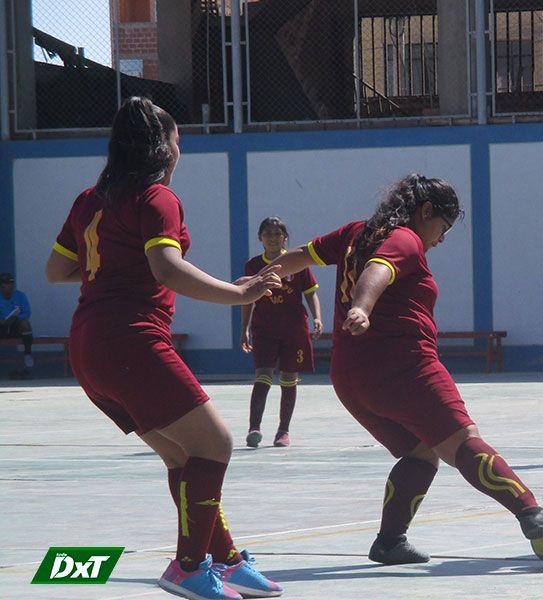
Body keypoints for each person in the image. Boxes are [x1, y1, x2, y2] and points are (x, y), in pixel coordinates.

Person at [268, 173, 543, 565]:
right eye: (443, 227)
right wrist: (362, 307)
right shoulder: (405, 238)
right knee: (462, 441)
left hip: (351, 378)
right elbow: (378, 271)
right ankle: (531, 512)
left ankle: (390, 542)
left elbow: (302, 255)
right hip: (405, 369)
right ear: (426, 211)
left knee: (421, 454)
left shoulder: (357, 232)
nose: (441, 238)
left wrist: (256, 281)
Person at [44, 97, 284, 600]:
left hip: (88, 344)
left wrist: (111, 273)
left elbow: (58, 270)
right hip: (130, 339)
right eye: (177, 139)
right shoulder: (156, 198)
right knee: (216, 444)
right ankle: (188, 567)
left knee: (182, 456)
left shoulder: (91, 199)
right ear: (163, 148)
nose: (181, 148)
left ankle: (227, 559)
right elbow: (166, 270)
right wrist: (241, 292)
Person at [240, 216, 323, 449]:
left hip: (293, 329)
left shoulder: (296, 261)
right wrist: (244, 328)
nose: (273, 238)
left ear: (285, 237)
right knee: (263, 376)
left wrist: (317, 316)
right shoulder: (254, 266)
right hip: (265, 329)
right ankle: (254, 428)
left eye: (277, 234)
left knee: (289, 379)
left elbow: (310, 293)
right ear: (260, 238)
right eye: (268, 234)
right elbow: (247, 298)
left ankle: (283, 431)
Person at [0, 272, 34, 379]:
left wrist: (16, 318)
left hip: (16, 326)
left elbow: (27, 312)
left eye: (11, 283)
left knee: (25, 323)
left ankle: (27, 353)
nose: (9, 285)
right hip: (2, 327)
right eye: (5, 283)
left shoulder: (20, 296)